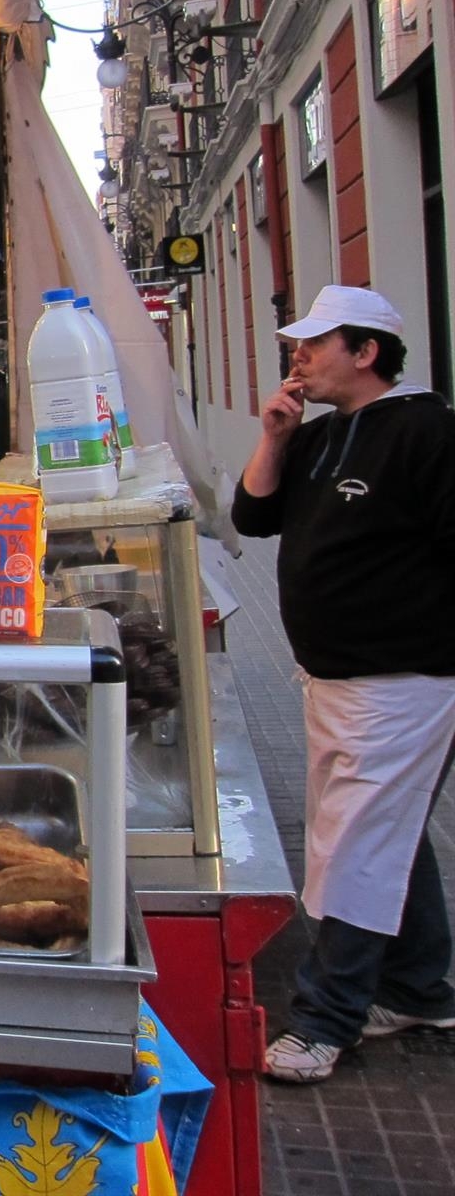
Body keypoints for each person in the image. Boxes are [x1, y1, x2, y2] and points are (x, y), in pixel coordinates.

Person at [231, 285, 455, 1083]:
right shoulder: (322, 434)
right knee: (383, 829)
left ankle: (327, 1017)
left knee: (356, 842)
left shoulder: (428, 433)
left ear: (366, 352)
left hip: (403, 679)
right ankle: (420, 986)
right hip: (331, 677)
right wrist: (274, 438)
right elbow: (253, 519)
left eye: (317, 343)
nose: (300, 355)